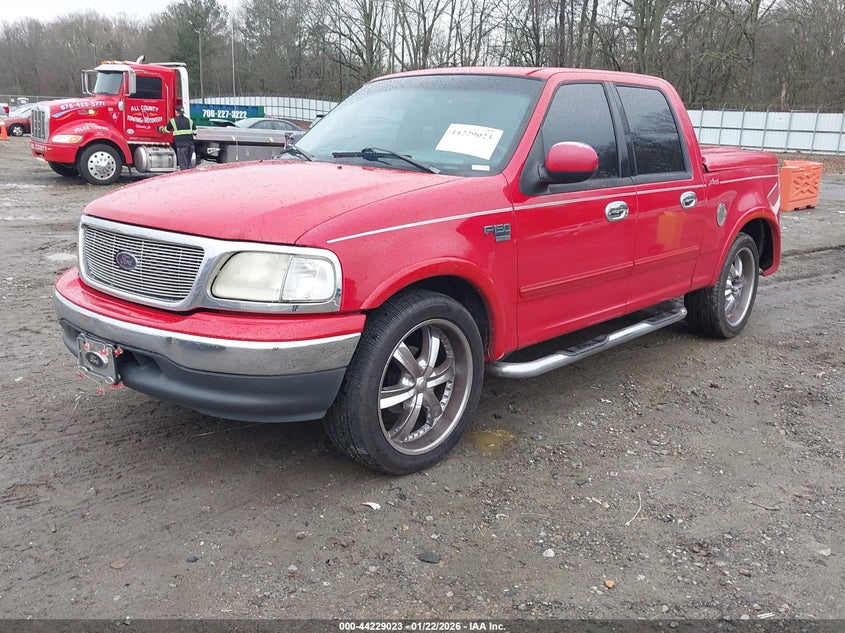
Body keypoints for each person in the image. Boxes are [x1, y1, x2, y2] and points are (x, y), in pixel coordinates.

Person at [159, 105, 197, 170]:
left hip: (182, 147)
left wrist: (160, 129)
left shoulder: (173, 121)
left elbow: (166, 131)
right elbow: (195, 132)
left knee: (183, 166)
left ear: (176, 112)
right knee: (189, 164)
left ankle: (184, 179)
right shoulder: (190, 121)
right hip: (191, 146)